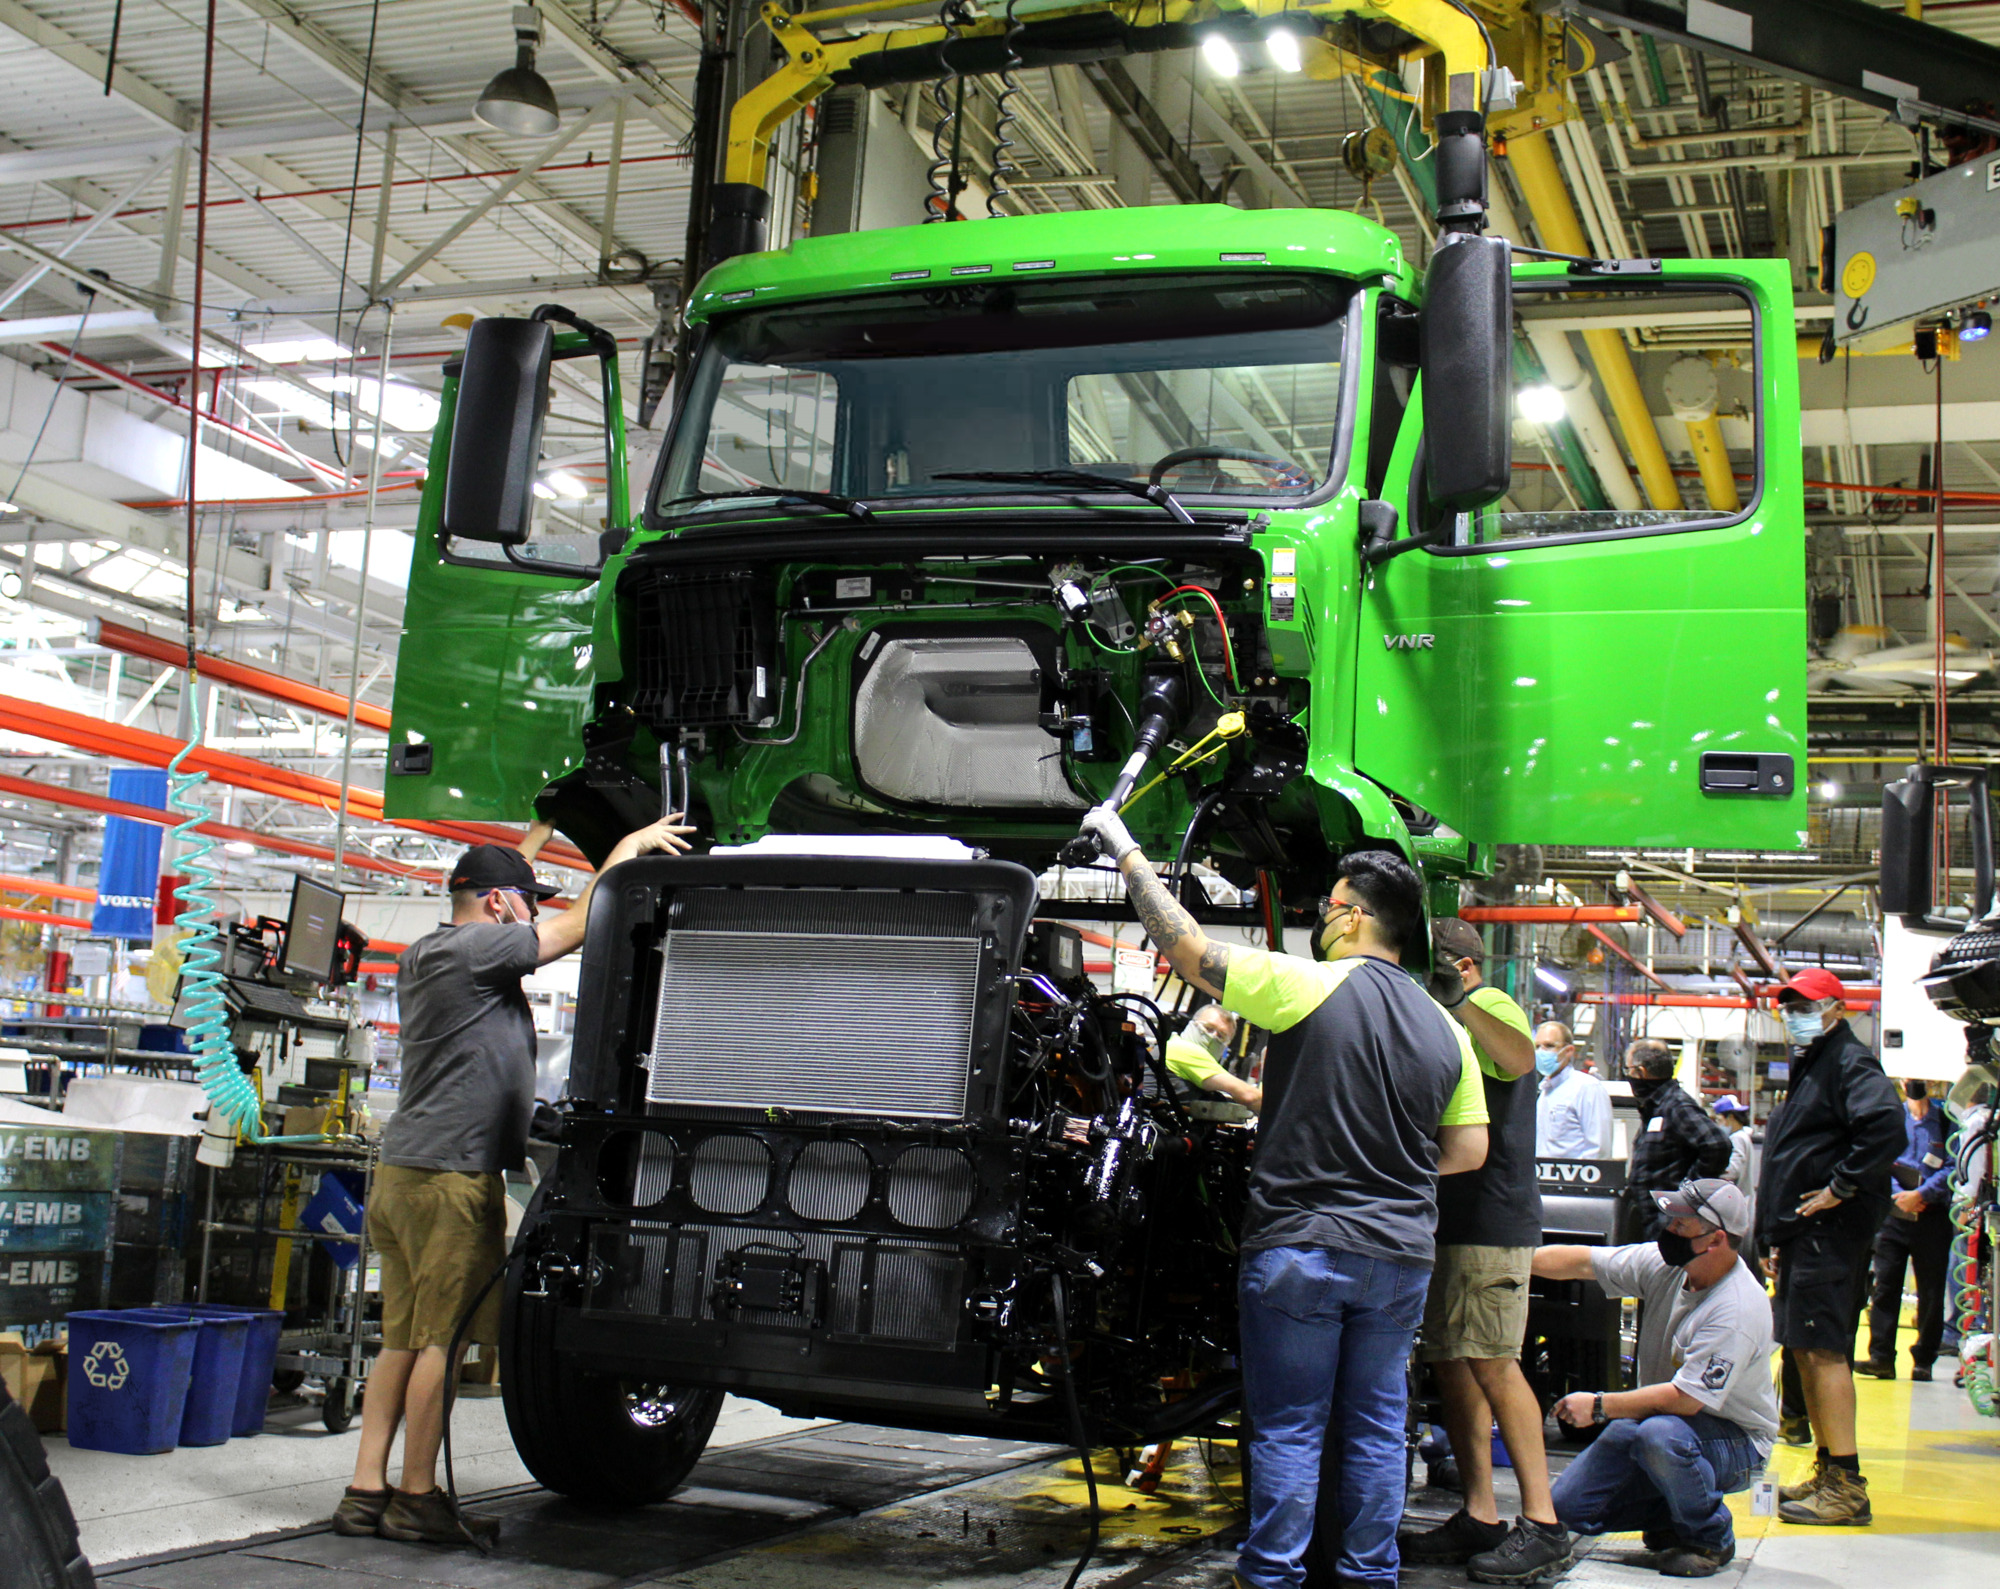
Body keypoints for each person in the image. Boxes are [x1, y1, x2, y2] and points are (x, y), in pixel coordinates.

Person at [1078, 806, 1487, 1589]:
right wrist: (1388, 1165)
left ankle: (1271, 1576)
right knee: (1374, 1428)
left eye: (1330, 905)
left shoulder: (1306, 984)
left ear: (1356, 916)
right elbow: (1469, 1149)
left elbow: (1185, 948)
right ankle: (1369, 1575)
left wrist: (1126, 848)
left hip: (1302, 1244)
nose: (1322, 917)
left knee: (1291, 1428)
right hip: (1400, 1254)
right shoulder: (1449, 1032)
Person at [333, 814, 695, 1546]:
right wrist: (621, 854)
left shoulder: (431, 949)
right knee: (443, 1342)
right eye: (524, 900)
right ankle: (416, 1495)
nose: (531, 911)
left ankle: (364, 1490)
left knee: (400, 1340)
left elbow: (498, 885)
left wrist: (530, 837)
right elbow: (568, 930)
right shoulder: (478, 951)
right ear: (499, 907)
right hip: (450, 1181)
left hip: (404, 1175)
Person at [1399, 920, 1572, 1586]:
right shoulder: (1435, 1021)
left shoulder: (1492, 1002)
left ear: (1462, 964)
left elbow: (1522, 1056)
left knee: (1495, 1364)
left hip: (1492, 1223)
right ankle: (1479, 1511)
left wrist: (1462, 995)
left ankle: (1543, 1521)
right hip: (1450, 1220)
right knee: (1454, 1367)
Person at [1532, 1179, 1776, 1580]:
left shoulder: (1735, 1309)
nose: (1669, 1232)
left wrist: (1598, 1406)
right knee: (1566, 1508)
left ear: (1715, 1240)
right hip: (1662, 1419)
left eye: (1681, 1226)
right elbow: (1581, 1262)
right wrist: (1506, 1260)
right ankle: (1678, 1513)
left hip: (1736, 1440)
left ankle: (1710, 1536)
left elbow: (1685, 1400)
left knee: (1661, 1438)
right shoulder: (1667, 1266)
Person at [1756, 967, 1904, 1527]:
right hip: (1802, 1236)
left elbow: (1884, 1124)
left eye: (1806, 1005)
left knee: (1823, 1352)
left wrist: (1842, 1186)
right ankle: (1827, 1468)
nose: (1794, 1014)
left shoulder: (1849, 1060)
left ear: (1838, 1008)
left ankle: (1847, 1484)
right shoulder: (1816, 1063)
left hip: (1829, 1237)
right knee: (1802, 1350)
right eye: (1788, 1005)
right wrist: (1775, 1233)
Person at [1857, 1077, 1954, 1382]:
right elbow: (1880, 1159)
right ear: (1901, 1081)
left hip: (1932, 1215)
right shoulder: (1892, 1118)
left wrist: (1922, 1194)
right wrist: (1901, 1194)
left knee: (1931, 1290)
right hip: (1894, 1213)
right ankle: (1881, 1357)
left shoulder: (1947, 1120)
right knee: (1885, 1286)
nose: (1915, 1083)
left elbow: (1953, 1165)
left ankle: (1924, 1359)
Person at [1623, 1039, 1732, 1242]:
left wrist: (1686, 1197)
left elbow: (1717, 1145)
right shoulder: (1656, 1108)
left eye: (1628, 1070)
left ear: (1640, 1072)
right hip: (1651, 1225)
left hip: (1670, 1226)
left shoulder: (1676, 1106)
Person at [1534, 1022, 1613, 1160]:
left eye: (1549, 1046)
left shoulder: (1587, 1088)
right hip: (1545, 1178)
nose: (1541, 1052)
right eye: (1537, 1047)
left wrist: (1581, 1179)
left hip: (1574, 1179)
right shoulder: (1545, 1091)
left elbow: (1599, 1150)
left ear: (1569, 1050)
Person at [1163, 1004, 1262, 1112]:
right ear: (1191, 1025)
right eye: (1208, 1028)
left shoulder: (1170, 1045)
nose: (1213, 1036)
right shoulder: (1183, 1049)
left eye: (1221, 1036)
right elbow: (1250, 1096)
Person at [1712, 1095, 1757, 1228]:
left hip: (1738, 1203)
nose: (1719, 1125)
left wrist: (1712, 1171)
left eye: (1719, 1120)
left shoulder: (1737, 1138)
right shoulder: (1743, 1136)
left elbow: (1733, 1170)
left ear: (1730, 1117)